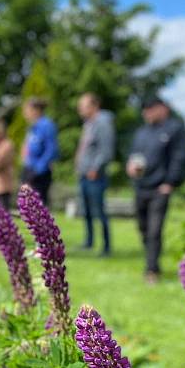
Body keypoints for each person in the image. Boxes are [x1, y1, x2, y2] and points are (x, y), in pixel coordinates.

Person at [128, 96, 185, 283]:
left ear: (162, 109)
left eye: (150, 109)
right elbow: (133, 154)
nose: (146, 113)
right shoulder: (142, 132)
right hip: (140, 186)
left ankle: (152, 270)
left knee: (155, 230)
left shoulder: (174, 129)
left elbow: (181, 157)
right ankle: (151, 259)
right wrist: (130, 166)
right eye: (144, 110)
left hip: (160, 188)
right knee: (144, 228)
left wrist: (171, 182)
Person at [76, 93, 116, 256]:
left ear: (94, 106)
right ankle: (89, 241)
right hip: (84, 173)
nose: (80, 110)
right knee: (86, 210)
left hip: (95, 175)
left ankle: (106, 247)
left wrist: (95, 168)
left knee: (99, 210)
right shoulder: (88, 124)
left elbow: (106, 151)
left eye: (83, 106)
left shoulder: (103, 123)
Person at [21, 97, 59, 205]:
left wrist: (38, 169)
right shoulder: (32, 127)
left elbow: (51, 149)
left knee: (38, 206)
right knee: (27, 204)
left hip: (39, 173)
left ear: (36, 110)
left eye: (26, 110)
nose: (24, 114)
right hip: (29, 169)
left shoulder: (47, 125)